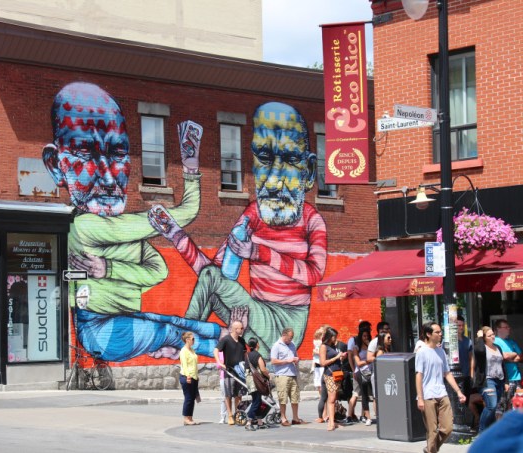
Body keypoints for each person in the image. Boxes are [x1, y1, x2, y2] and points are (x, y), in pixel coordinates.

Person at [42, 82, 222, 362]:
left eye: (117, 154)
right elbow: (186, 213)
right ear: (56, 165)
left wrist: (110, 268)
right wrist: (190, 168)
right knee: (171, 332)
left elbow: (158, 271)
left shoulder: (126, 236)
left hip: (124, 321)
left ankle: (229, 336)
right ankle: (226, 354)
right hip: (102, 334)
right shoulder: (86, 226)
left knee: (173, 321)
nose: (109, 178)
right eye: (86, 154)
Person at [150, 101, 327, 354]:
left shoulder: (311, 219)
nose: (273, 182)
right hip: (256, 317)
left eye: (289, 161)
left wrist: (258, 252)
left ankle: (181, 343)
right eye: (264, 159)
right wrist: (175, 234)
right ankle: (187, 343)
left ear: (308, 172)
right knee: (211, 278)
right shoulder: (253, 214)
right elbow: (213, 274)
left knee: (213, 283)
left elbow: (315, 274)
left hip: (288, 323)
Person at [415, 321, 466, 453]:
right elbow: (418, 375)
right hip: (427, 395)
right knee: (432, 431)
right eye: (437, 332)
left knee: (448, 428)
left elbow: (447, 373)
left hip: (442, 393)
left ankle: (430, 449)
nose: (440, 334)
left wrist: (459, 392)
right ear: (428, 334)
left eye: (440, 331)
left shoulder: (441, 351)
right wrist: (420, 398)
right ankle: (431, 449)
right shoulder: (422, 352)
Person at [473, 327, 507, 433]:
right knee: (491, 406)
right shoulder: (482, 347)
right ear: (484, 338)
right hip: (488, 380)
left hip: (499, 380)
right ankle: (482, 431)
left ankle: (490, 432)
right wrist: (479, 338)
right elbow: (479, 351)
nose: (493, 336)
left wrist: (506, 382)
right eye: (489, 335)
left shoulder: (498, 347)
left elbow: (502, 365)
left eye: (493, 334)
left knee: (495, 408)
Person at [214, 320, 247, 425]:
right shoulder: (226, 340)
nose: (242, 329)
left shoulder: (242, 340)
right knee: (228, 395)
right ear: (235, 329)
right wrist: (219, 362)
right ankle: (229, 415)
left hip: (240, 373)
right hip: (229, 372)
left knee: (239, 395)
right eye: (241, 328)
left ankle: (237, 414)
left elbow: (245, 354)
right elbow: (216, 350)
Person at [270, 327, 305, 426]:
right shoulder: (277, 345)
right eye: (289, 337)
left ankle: (295, 418)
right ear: (284, 335)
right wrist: (287, 361)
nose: (291, 339)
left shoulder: (292, 344)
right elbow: (273, 361)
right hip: (282, 375)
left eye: (292, 338)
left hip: (293, 373)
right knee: (283, 398)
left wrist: (296, 359)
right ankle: (283, 418)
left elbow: (294, 355)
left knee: (295, 397)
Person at [320, 326, 347, 431]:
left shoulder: (333, 346)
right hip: (330, 375)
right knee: (331, 399)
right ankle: (330, 422)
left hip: (337, 374)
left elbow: (336, 359)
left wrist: (341, 357)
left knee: (334, 398)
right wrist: (336, 357)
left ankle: (333, 421)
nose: (336, 338)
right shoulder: (324, 347)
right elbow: (323, 363)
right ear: (330, 336)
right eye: (334, 336)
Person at [493, 319, 522, 414]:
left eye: (508, 327)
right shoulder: (495, 341)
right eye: (506, 327)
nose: (509, 329)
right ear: (498, 329)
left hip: (517, 378)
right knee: (502, 406)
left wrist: (510, 357)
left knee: (516, 406)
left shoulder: (512, 342)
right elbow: (503, 356)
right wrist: (514, 354)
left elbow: (521, 356)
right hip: (505, 380)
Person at [346, 320, 371, 423]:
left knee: (365, 394)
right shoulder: (354, 341)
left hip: (369, 371)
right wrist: (353, 370)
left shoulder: (370, 343)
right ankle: (349, 415)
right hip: (359, 371)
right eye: (366, 329)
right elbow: (350, 356)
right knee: (356, 393)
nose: (366, 335)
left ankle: (363, 415)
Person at [244, 337, 271, 431]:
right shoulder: (257, 355)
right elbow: (263, 369)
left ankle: (260, 422)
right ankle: (249, 422)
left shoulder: (247, 355)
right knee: (256, 402)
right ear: (257, 345)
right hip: (256, 382)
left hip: (249, 381)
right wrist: (269, 376)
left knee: (258, 400)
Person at [353, 328, 374, 426]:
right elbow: (358, 363)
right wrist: (368, 361)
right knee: (364, 395)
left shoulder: (371, 346)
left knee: (375, 394)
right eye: (364, 336)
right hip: (361, 373)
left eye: (367, 336)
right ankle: (368, 417)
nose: (366, 338)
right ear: (360, 337)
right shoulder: (356, 347)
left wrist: (369, 346)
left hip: (372, 372)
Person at [179, 332, 200, 426]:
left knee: (192, 398)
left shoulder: (191, 350)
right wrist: (188, 376)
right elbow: (184, 365)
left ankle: (190, 417)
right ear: (187, 340)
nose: (194, 340)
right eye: (193, 339)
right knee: (188, 398)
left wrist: (196, 376)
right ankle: (186, 418)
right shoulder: (183, 351)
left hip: (194, 376)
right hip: (187, 377)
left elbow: (194, 364)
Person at [312, 327, 324, 404]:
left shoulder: (321, 343)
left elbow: (321, 353)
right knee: (318, 382)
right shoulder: (318, 342)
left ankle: (322, 396)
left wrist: (316, 352)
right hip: (317, 364)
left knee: (320, 382)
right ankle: (321, 396)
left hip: (321, 363)